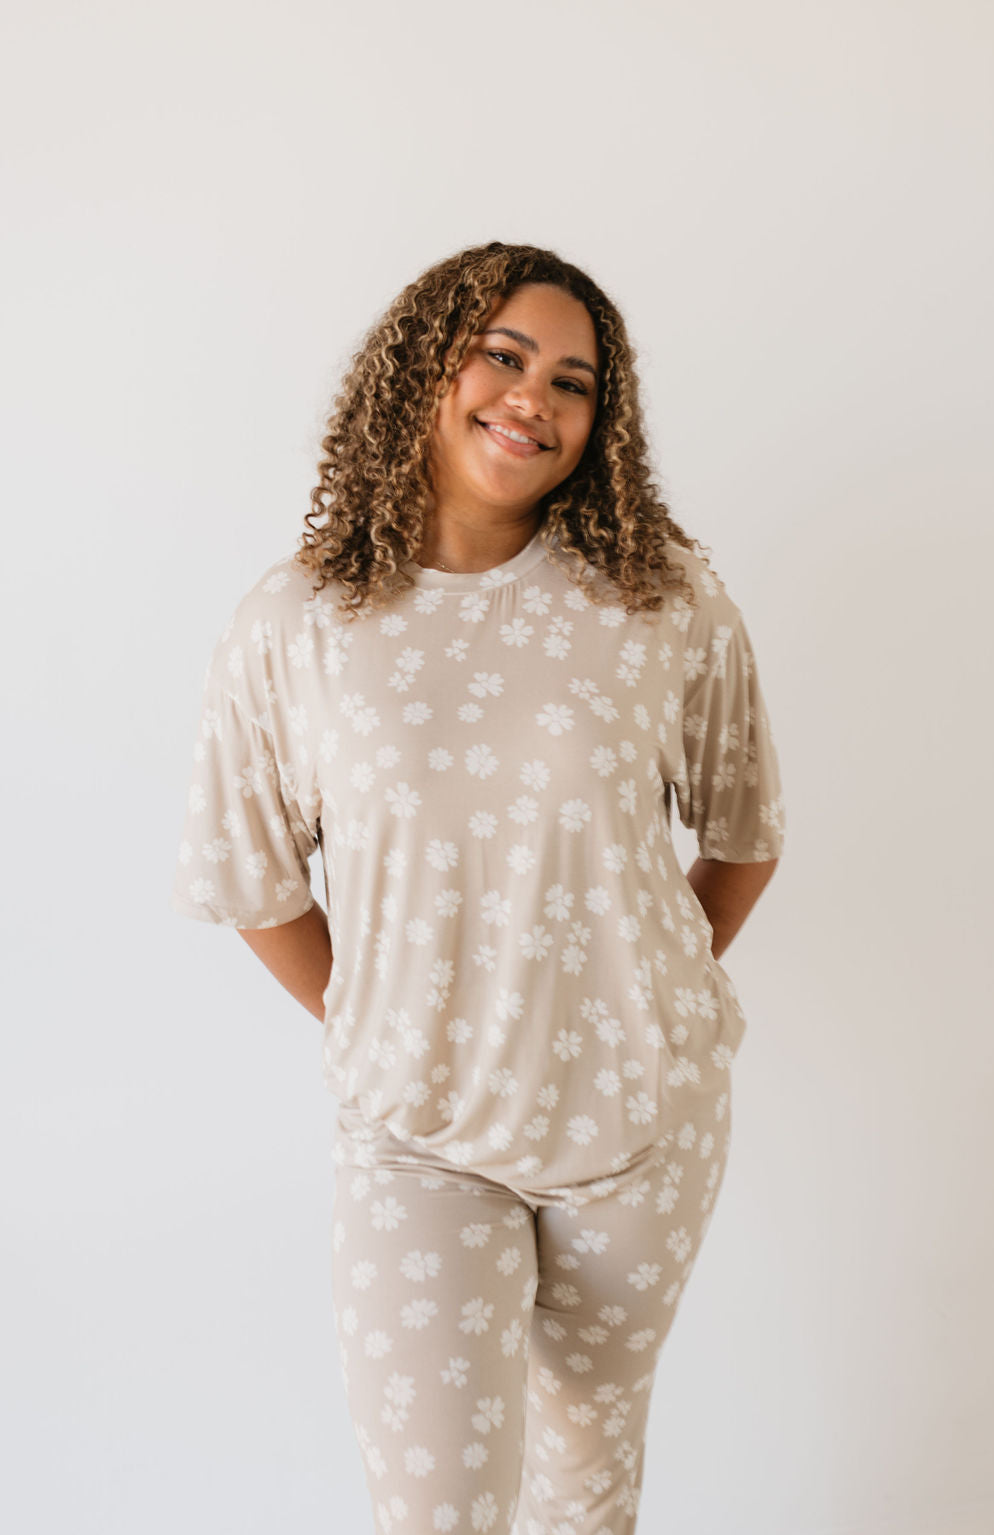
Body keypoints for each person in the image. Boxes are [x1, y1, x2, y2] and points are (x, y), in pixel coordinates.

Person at [170, 240, 786, 1535]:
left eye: (573, 381)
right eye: (503, 355)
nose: (534, 399)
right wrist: (378, 1015)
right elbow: (252, 872)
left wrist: (647, 994)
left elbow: (743, 828)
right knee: (437, 1513)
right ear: (423, 370)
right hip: (419, 1138)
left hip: (640, 1129)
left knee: (586, 1483)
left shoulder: (658, 601)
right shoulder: (300, 623)